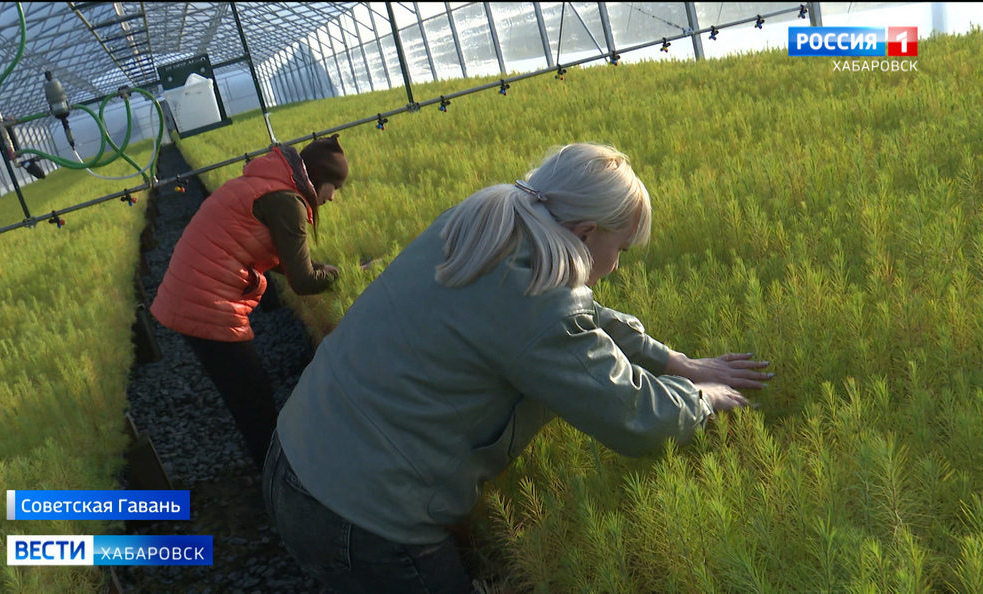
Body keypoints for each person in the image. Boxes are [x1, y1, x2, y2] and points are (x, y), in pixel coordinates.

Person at [263, 143, 773, 592]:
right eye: (619, 249)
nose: (617, 265)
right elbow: (636, 417)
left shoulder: (488, 219)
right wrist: (705, 399)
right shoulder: (537, 308)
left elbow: (578, 314)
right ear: (585, 232)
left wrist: (674, 361)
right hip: (363, 517)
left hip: (296, 452)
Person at [151, 134, 348, 472]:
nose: (334, 197)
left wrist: (331, 270)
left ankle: (273, 463)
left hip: (191, 289)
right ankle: (277, 475)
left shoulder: (267, 184)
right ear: (318, 180)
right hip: (206, 300)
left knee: (246, 389)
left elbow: (283, 262)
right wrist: (343, 276)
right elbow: (301, 281)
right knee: (252, 397)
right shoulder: (288, 202)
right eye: (335, 187)